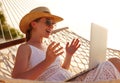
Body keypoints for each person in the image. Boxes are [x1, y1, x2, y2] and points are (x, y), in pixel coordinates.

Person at [12, 6, 120, 82]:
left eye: (53, 24)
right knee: (114, 62)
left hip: (71, 79)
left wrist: (69, 55)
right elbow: (17, 79)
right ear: (34, 24)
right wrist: (46, 61)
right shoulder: (25, 48)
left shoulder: (46, 47)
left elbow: (60, 70)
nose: (51, 26)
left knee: (115, 62)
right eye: (48, 22)